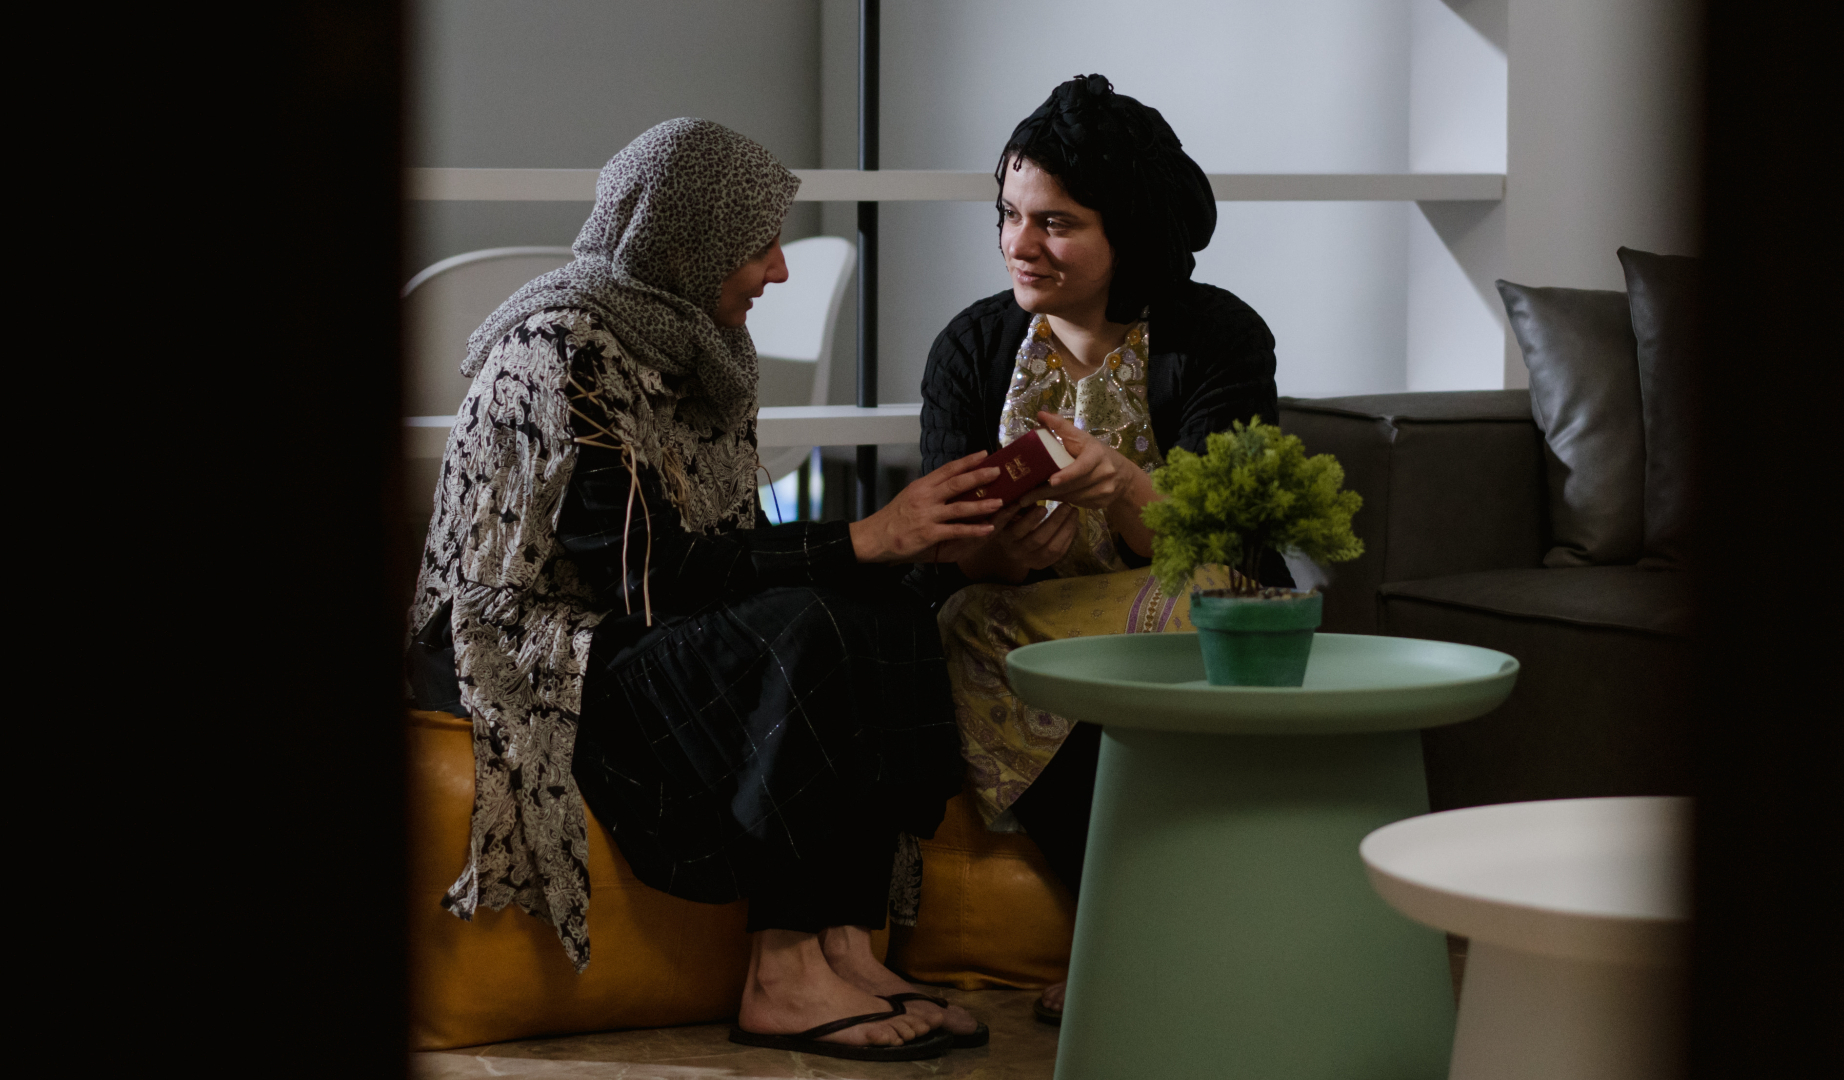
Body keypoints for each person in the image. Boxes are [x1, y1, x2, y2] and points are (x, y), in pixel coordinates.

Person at [406, 118, 992, 1062]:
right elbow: (647, 574)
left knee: (884, 610)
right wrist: (861, 537)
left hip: (631, 617)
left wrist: (887, 554)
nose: (779, 271)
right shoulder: (560, 352)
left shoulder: (694, 346)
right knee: (808, 626)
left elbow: (720, 548)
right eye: (758, 247)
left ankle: (846, 943)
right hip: (538, 637)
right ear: (683, 244)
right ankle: (782, 974)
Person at [913, 74, 1291, 1024]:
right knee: (964, 624)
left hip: (1180, 601)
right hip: (1023, 620)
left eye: (1057, 223)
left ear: (1131, 228)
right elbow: (941, 547)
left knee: (1199, 604)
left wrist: (1122, 487)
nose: (1020, 243)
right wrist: (1001, 554)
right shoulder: (971, 346)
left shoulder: (1217, 336)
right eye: (1009, 215)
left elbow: (1227, 540)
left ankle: (1137, 936)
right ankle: (1131, 930)